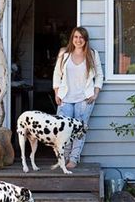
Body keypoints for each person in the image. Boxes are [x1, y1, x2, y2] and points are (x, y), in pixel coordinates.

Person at [52, 26, 103, 169]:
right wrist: (57, 93)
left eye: (81, 37)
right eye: (75, 37)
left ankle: (73, 159)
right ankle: (64, 157)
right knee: (63, 130)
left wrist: (96, 92)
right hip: (65, 98)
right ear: (72, 39)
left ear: (85, 40)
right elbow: (57, 74)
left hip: (85, 99)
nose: (78, 40)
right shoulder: (64, 53)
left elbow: (99, 75)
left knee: (79, 130)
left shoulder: (92, 54)